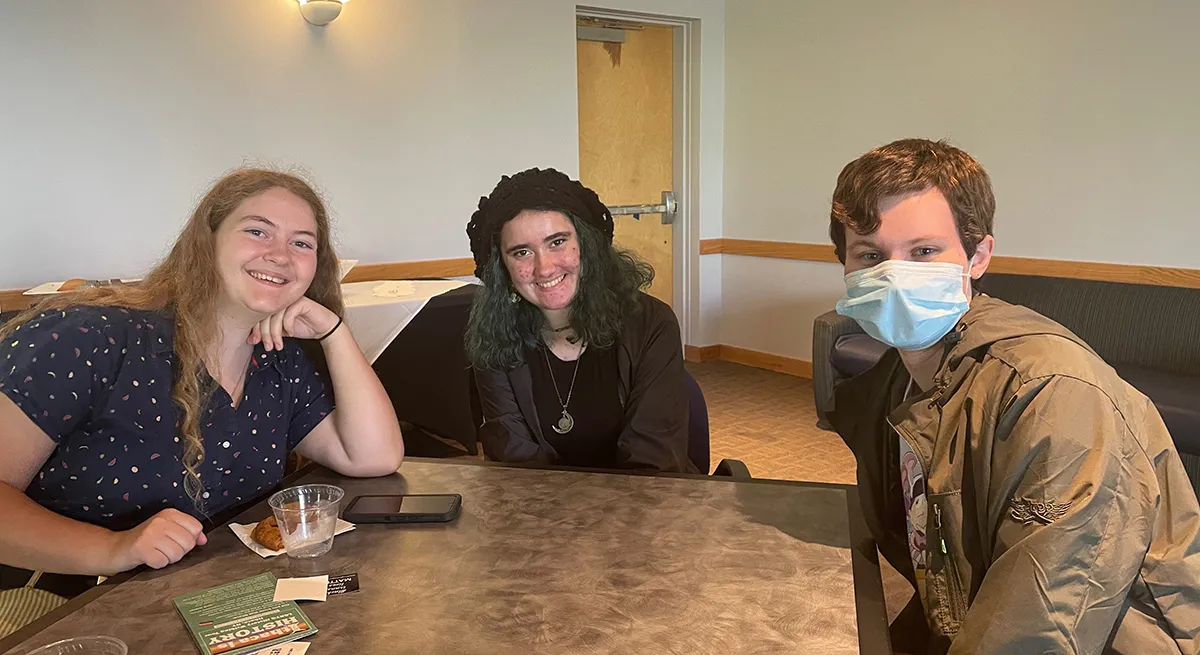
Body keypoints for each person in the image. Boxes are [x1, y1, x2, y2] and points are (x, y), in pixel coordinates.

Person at [823, 138, 1200, 654]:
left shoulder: (1051, 392)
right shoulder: (895, 382)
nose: (895, 276)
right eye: (870, 255)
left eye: (925, 251)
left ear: (978, 256)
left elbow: (1043, 623)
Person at [0, 169, 404, 604]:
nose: (281, 255)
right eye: (257, 231)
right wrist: (113, 548)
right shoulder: (92, 337)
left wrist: (333, 331)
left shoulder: (278, 360)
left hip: (215, 602)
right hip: (61, 608)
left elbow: (372, 456)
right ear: (206, 242)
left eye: (302, 243)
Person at [464, 167, 696, 473]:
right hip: (539, 510)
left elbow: (652, 465)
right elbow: (514, 465)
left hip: (643, 508)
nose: (544, 268)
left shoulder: (651, 323)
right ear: (502, 268)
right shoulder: (494, 335)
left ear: (586, 245)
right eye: (522, 252)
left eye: (557, 242)